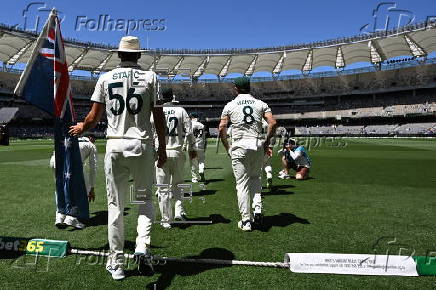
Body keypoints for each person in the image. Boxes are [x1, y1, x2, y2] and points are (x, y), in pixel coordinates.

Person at [69, 36, 167, 281]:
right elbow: (158, 118)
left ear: (119, 55)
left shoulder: (105, 78)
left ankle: (117, 263)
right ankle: (142, 247)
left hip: (114, 145)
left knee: (115, 206)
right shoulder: (151, 77)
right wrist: (162, 148)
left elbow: (93, 117)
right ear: (139, 56)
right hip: (142, 145)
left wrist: (82, 127)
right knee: (145, 200)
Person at [218, 77, 277, 231]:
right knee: (256, 178)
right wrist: (266, 142)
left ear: (236, 88)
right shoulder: (261, 104)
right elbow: (273, 123)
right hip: (256, 144)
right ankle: (257, 210)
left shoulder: (230, 105)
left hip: (239, 145)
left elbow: (222, 127)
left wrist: (227, 147)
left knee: (242, 184)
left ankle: (246, 221)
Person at [154, 88, 196, 229]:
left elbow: (150, 132)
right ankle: (179, 211)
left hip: (161, 152)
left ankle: (166, 220)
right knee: (178, 184)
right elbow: (189, 132)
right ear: (172, 97)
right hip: (177, 151)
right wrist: (192, 148)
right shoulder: (181, 110)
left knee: (163, 188)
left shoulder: (156, 110)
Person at [50, 134, 98, 229]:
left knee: (61, 188)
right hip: (72, 164)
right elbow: (93, 167)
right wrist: (91, 188)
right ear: (91, 138)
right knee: (80, 191)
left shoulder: (69, 138)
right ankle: (71, 218)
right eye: (94, 139)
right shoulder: (91, 144)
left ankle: (60, 216)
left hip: (55, 161)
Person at [189, 112, 206, 183]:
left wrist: (184, 145)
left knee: (193, 162)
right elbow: (204, 137)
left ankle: (194, 178)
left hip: (192, 145)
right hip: (200, 144)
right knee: (201, 161)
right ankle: (201, 170)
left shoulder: (189, 124)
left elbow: (188, 135)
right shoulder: (201, 125)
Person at [262, 119, 275, 190]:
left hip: (254, 145)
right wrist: (270, 147)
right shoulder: (267, 123)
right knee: (267, 163)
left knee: (256, 166)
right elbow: (272, 136)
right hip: (265, 145)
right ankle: (269, 174)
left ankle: (258, 185)